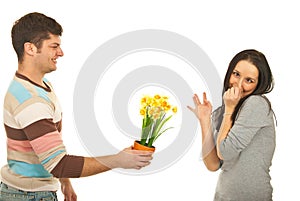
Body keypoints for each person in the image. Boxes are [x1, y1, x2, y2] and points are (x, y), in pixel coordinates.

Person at [0, 12, 153, 201]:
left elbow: (49, 150)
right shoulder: (30, 100)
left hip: (27, 191)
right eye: (54, 46)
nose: (61, 53)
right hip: (28, 195)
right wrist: (118, 160)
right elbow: (59, 164)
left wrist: (65, 182)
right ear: (30, 49)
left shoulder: (39, 87)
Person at [188, 49, 276, 201]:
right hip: (223, 196)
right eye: (236, 74)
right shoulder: (224, 111)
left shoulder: (256, 104)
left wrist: (229, 109)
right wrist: (205, 120)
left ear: (258, 84)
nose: (239, 84)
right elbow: (213, 164)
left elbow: (225, 152)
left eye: (249, 80)